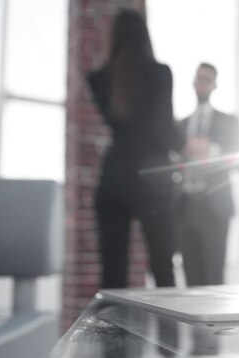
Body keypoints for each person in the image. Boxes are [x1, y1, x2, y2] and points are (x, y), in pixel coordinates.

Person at [87, 9, 184, 289]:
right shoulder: (160, 74)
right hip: (152, 179)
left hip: (113, 178)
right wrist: (185, 144)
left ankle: (111, 335)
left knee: (112, 275)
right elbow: (164, 132)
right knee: (163, 268)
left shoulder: (100, 79)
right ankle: (169, 334)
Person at [180, 62, 239, 286]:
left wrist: (211, 150)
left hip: (215, 209)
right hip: (186, 207)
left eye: (208, 79)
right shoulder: (181, 125)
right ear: (193, 82)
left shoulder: (228, 122)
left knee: (214, 281)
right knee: (191, 281)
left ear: (214, 85)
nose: (202, 83)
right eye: (199, 78)